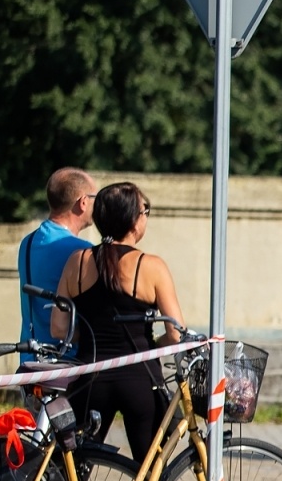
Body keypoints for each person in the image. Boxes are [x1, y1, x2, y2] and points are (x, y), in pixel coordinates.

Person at [55, 183, 188, 464]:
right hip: (139, 379)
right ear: (134, 219)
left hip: (89, 377)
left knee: (73, 472)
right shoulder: (151, 266)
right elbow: (176, 334)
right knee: (150, 474)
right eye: (145, 210)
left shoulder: (76, 262)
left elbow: (59, 329)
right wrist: (152, 345)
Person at [16, 168, 95, 363]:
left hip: (30, 362)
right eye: (95, 198)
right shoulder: (83, 252)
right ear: (83, 202)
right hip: (67, 364)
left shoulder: (27, 242)